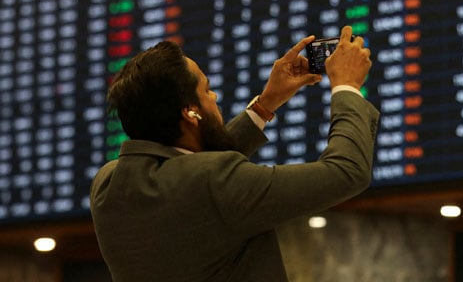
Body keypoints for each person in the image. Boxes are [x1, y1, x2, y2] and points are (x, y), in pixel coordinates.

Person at [90, 25, 379, 281]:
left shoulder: (107, 185)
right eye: (207, 90)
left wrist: (266, 104)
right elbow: (346, 172)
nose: (214, 97)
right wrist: (346, 86)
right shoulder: (213, 183)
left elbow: (188, 173)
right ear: (191, 112)